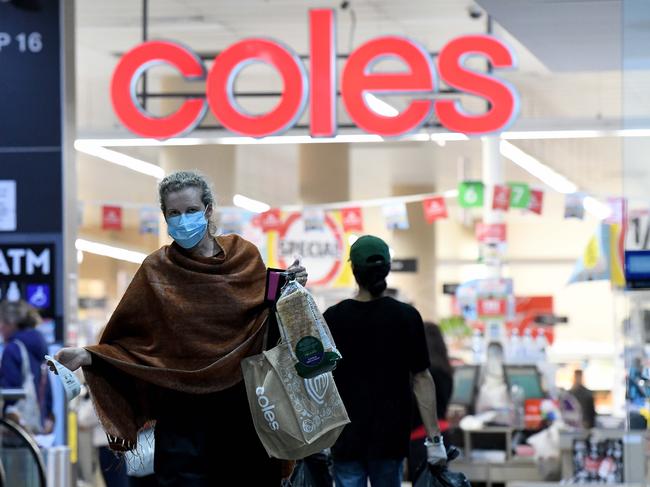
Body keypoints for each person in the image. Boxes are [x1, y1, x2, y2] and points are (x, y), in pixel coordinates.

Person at [54, 171, 308, 486]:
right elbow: (133, 343)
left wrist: (290, 292)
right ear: (164, 217)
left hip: (243, 412)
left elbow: (265, 324)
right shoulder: (156, 271)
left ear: (209, 210)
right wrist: (89, 355)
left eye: (190, 210)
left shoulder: (244, 258)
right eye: (173, 213)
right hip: (183, 418)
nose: (182, 220)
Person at [323, 235, 446, 487]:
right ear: (387, 269)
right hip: (390, 440)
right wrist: (435, 441)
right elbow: (422, 379)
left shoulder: (333, 318)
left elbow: (321, 382)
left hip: (344, 439)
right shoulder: (407, 317)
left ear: (353, 270)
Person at [0, 300, 54, 437]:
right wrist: (47, 415)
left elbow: (10, 388)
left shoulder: (13, 348)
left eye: (2, 322)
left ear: (11, 323)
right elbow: (47, 388)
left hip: (16, 425)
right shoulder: (40, 346)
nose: (0, 328)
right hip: (37, 424)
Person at [408, 322, 454, 479]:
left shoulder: (420, 376)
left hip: (420, 437)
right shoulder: (446, 371)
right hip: (443, 434)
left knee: (422, 481)